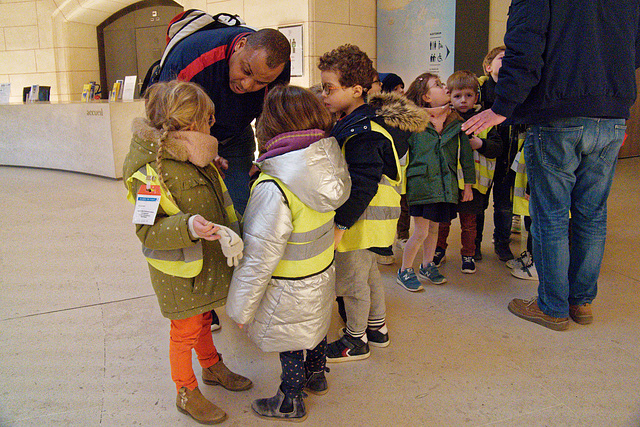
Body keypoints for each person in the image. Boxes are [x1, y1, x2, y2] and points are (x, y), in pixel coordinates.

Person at [462, 0, 639, 331]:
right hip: (612, 114)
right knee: (592, 214)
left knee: (551, 215)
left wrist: (505, 105)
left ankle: (553, 306)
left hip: (557, 112)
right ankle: (581, 302)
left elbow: (524, 46)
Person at [122, 81, 253, 424]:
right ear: (189, 124)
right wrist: (188, 227)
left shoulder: (195, 153)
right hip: (179, 271)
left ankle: (211, 366)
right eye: (207, 119)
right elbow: (146, 230)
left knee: (203, 317)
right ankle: (185, 390)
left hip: (204, 264)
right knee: (185, 330)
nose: (212, 125)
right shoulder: (150, 171)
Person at [225, 85, 349, 421]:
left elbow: (259, 257)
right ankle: (316, 375)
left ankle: (289, 399)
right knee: (317, 326)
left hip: (288, 285)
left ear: (269, 127)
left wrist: (240, 307)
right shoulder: (329, 166)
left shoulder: (273, 187)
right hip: (321, 273)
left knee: (291, 340)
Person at [319, 44, 426, 361]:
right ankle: (377, 330)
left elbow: (362, 186)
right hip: (372, 221)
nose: (324, 94)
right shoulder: (360, 121)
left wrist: (340, 224)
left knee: (352, 283)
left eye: (329, 88)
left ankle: (355, 339)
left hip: (359, 219)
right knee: (368, 277)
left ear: (355, 90)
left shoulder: (363, 131)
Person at [158, 26, 291, 215]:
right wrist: (204, 150)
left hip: (235, 137)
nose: (247, 84)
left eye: (261, 83)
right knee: (193, 211)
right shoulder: (191, 58)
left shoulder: (279, 67)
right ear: (241, 45)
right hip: (184, 139)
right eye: (246, 70)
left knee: (239, 209)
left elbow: (270, 115)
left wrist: (265, 158)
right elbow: (164, 121)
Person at [396, 73, 475, 291]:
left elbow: (466, 155)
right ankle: (405, 270)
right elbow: (400, 152)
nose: (445, 88)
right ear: (426, 97)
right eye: (438, 85)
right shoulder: (413, 123)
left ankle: (427, 265)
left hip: (445, 184)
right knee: (421, 231)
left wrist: (468, 183)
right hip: (422, 183)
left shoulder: (455, 121)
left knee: (435, 229)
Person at [433, 71, 502, 274]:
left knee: (469, 222)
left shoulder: (486, 120)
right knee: (442, 220)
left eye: (468, 95)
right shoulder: (444, 118)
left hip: (475, 184)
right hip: (448, 181)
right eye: (457, 96)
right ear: (449, 97)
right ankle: (439, 250)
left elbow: (497, 148)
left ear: (476, 96)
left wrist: (479, 143)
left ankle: (469, 254)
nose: (463, 100)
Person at [477, 45, 520, 262]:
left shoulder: (517, 91)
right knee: (478, 203)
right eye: (503, 58)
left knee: (505, 204)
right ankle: (474, 244)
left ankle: (502, 242)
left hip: (508, 156)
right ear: (488, 67)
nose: (507, 62)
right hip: (482, 155)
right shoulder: (478, 90)